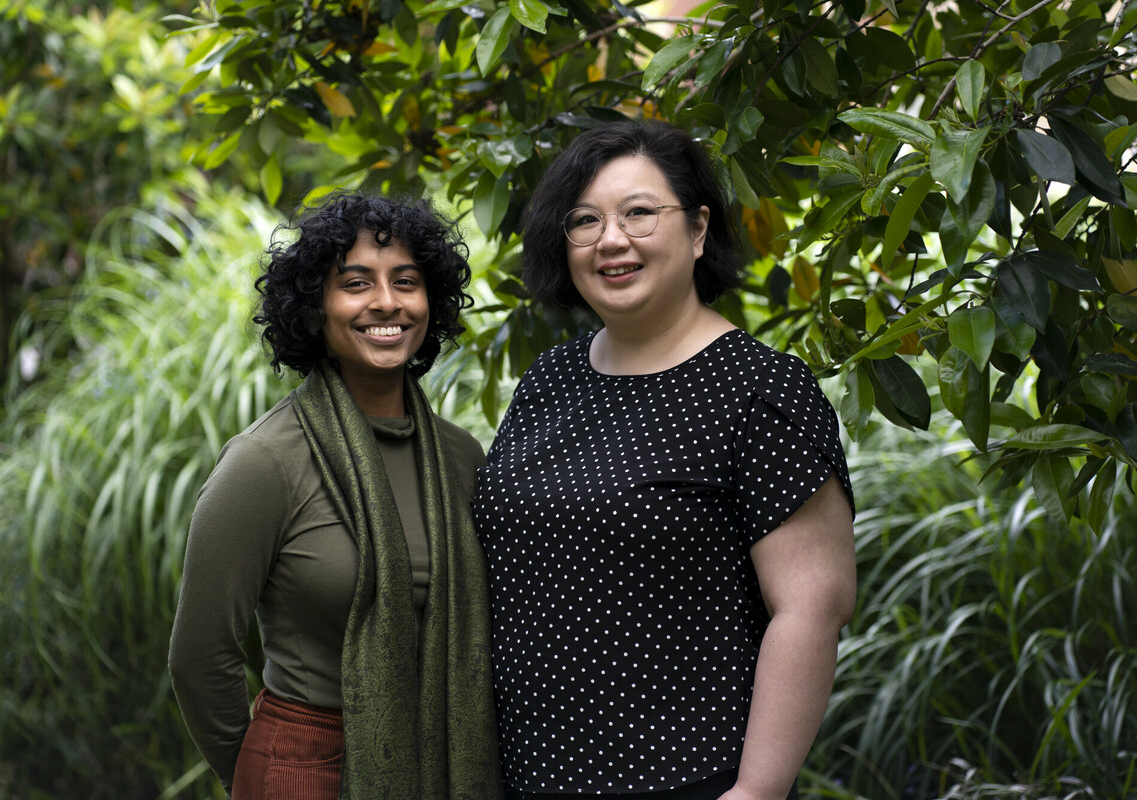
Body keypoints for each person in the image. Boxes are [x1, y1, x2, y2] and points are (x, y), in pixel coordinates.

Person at [472, 120, 857, 800]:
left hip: (685, 779)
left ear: (699, 228)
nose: (611, 240)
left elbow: (812, 608)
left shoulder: (760, 391)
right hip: (527, 776)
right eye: (585, 220)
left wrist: (757, 792)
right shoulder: (550, 378)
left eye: (639, 213)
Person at [169, 192, 504, 800]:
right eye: (355, 283)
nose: (386, 302)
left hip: (444, 759)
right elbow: (201, 655)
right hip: (305, 766)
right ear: (314, 309)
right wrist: (258, 776)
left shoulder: (461, 459)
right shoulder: (264, 462)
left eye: (406, 282)